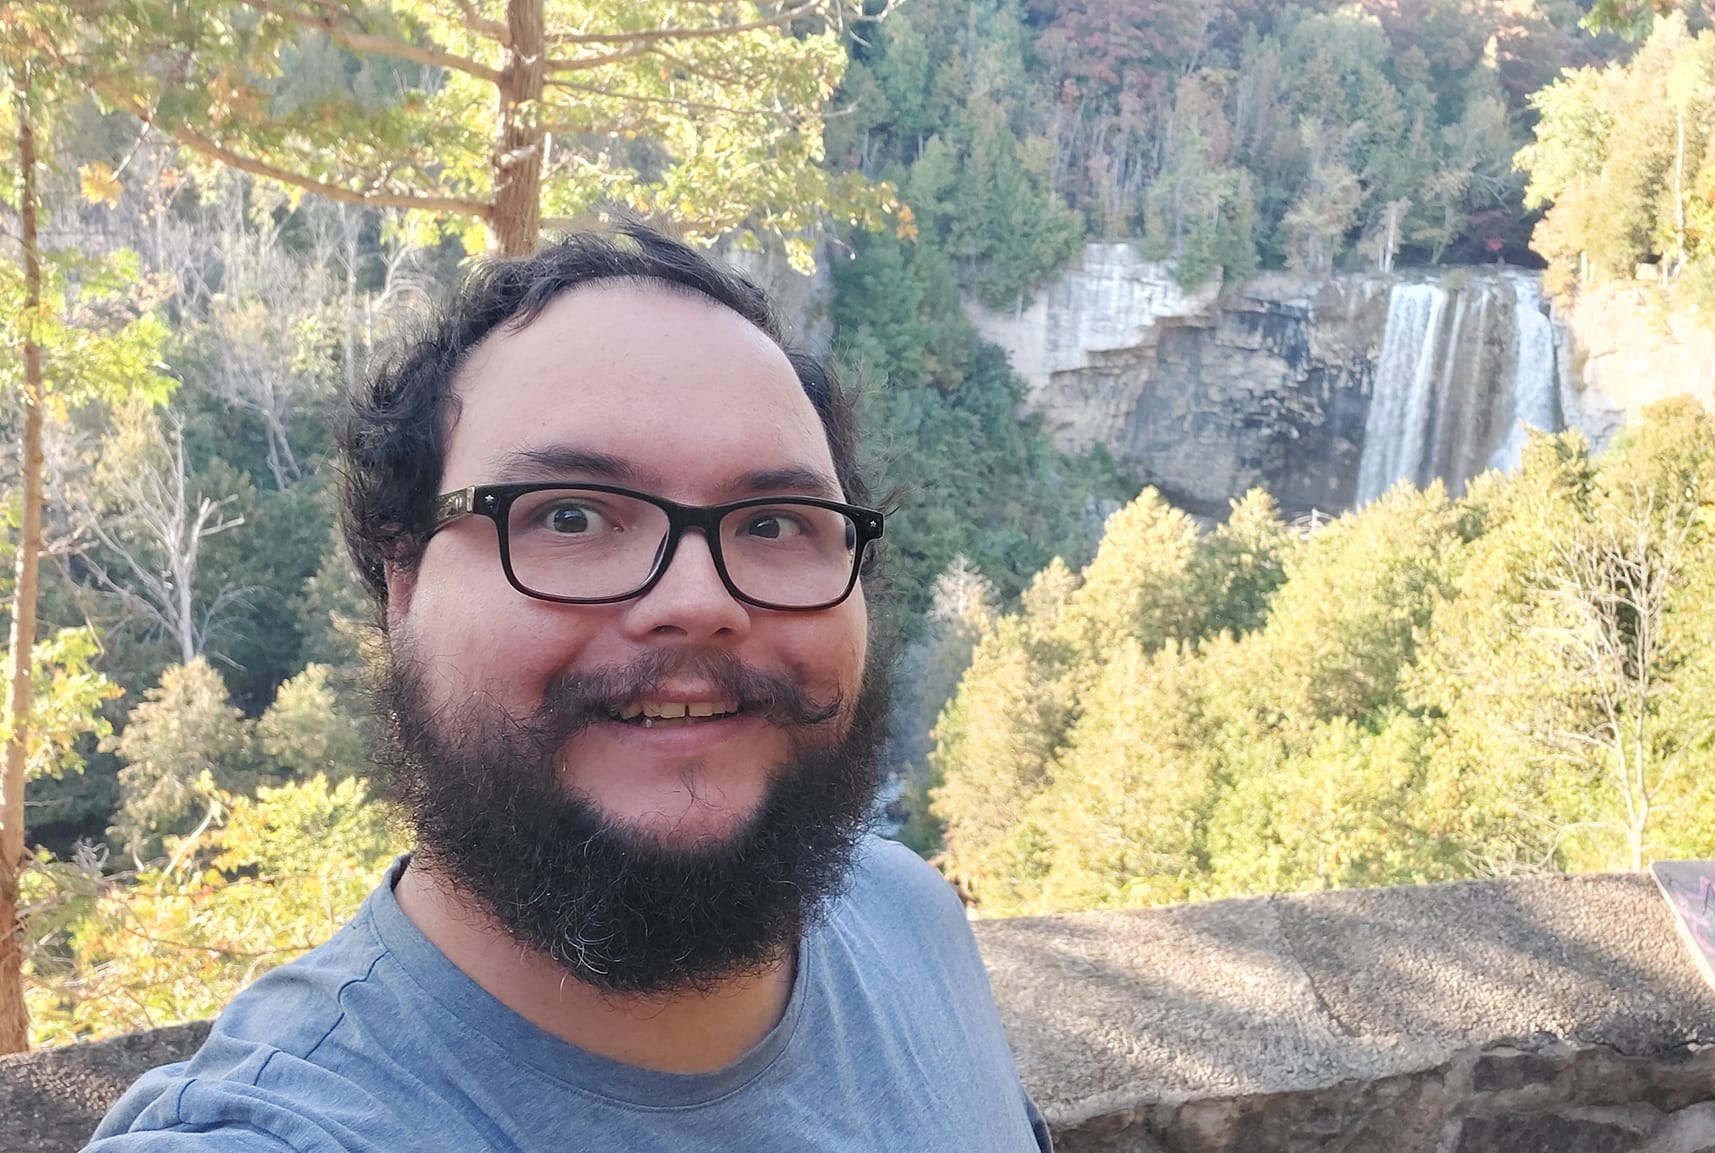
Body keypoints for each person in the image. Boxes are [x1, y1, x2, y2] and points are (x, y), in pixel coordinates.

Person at [86, 222, 1054, 1151]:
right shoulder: (284, 1127)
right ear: (403, 581)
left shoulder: (910, 917)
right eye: (572, 515)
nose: (699, 601)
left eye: (772, 522)